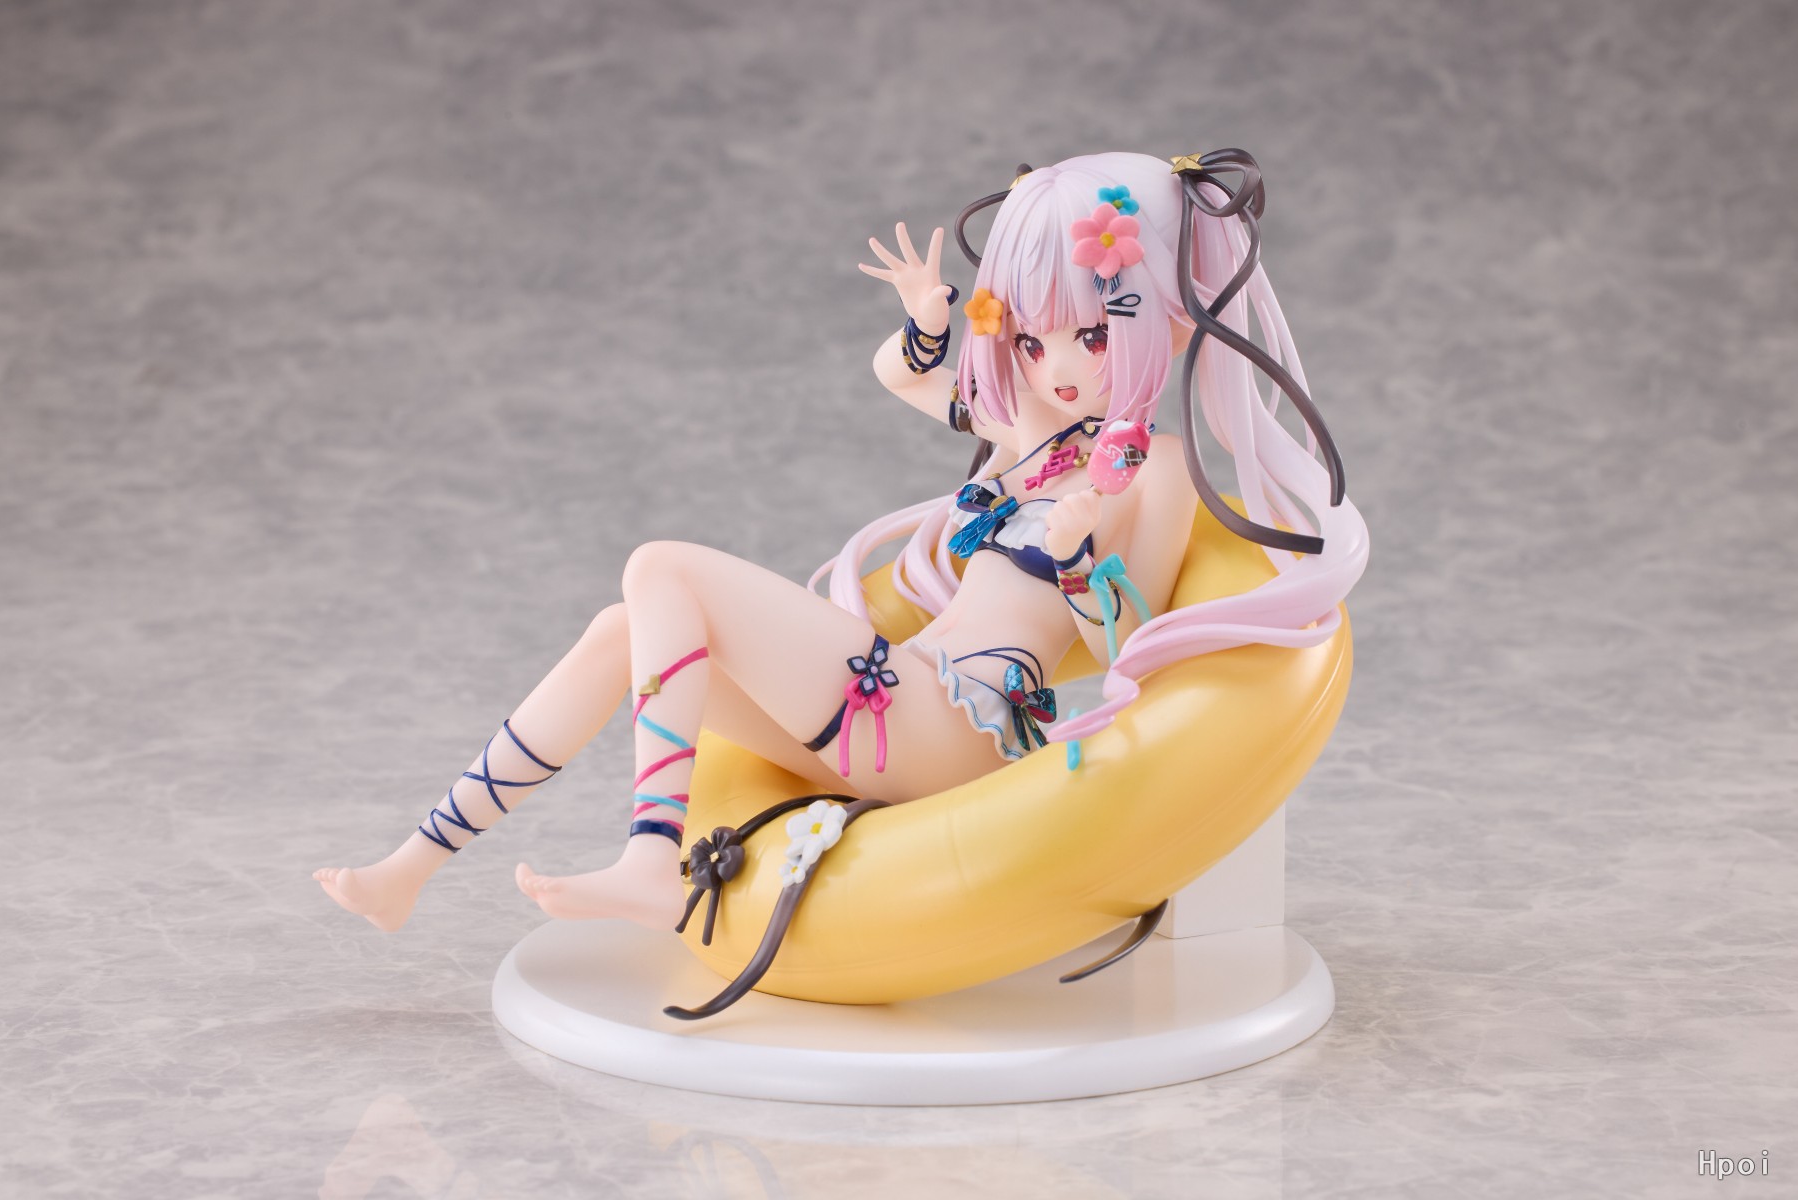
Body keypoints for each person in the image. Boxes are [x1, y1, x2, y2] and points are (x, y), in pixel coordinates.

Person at [314, 149, 1369, 936]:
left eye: (1093, 337)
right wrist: (927, 316)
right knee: (618, 627)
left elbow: (1126, 644)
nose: (1058, 367)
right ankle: (410, 867)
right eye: (1032, 336)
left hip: (950, 729)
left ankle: (648, 861)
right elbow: (904, 378)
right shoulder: (1029, 437)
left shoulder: (1153, 470)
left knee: (661, 566)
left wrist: (1085, 545)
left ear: (1159, 324)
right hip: (897, 692)